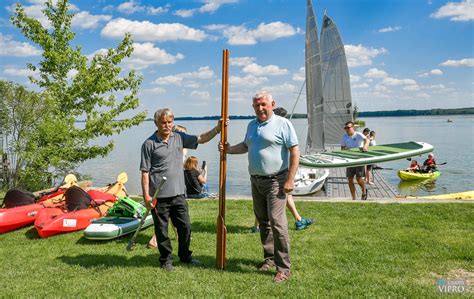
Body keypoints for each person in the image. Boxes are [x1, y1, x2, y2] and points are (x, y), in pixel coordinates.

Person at [220, 91, 299, 283]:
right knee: (263, 221)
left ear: (272, 103)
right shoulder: (251, 125)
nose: (260, 108)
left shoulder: (282, 123)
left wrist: (290, 179)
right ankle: (269, 258)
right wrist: (229, 150)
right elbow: (246, 146)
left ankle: (284, 268)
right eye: (256, 105)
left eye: (263, 104)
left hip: (276, 181)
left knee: (277, 223)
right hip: (255, 180)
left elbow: (295, 151)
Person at [140, 108, 222, 271]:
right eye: (163, 122)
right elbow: (145, 173)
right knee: (162, 230)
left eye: (170, 122)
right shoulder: (149, 144)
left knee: (185, 227)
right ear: (156, 123)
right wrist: (147, 197)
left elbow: (200, 138)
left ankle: (185, 256)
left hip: (178, 194)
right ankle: (166, 261)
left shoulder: (179, 138)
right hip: (159, 196)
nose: (167, 125)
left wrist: (217, 129)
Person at [251, 106, 314, 233]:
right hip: (273, 175)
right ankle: (298, 220)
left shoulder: (280, 126)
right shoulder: (271, 126)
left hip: (273, 174)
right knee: (271, 202)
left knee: (276, 199)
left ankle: (298, 219)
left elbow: (291, 148)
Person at [148, 125, 188, 249]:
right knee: (165, 219)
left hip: (177, 186)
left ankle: (177, 236)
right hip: (165, 187)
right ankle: (155, 239)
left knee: (175, 218)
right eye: (183, 134)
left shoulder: (181, 146)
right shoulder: (176, 146)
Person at [341, 121, 370, 200]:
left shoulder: (358, 134)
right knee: (350, 179)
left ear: (353, 127)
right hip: (350, 160)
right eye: (345, 128)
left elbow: (367, 140)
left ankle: (364, 190)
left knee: (358, 179)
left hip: (359, 159)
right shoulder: (344, 137)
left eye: (348, 127)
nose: (347, 129)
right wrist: (345, 150)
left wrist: (365, 146)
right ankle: (353, 198)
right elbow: (342, 149)